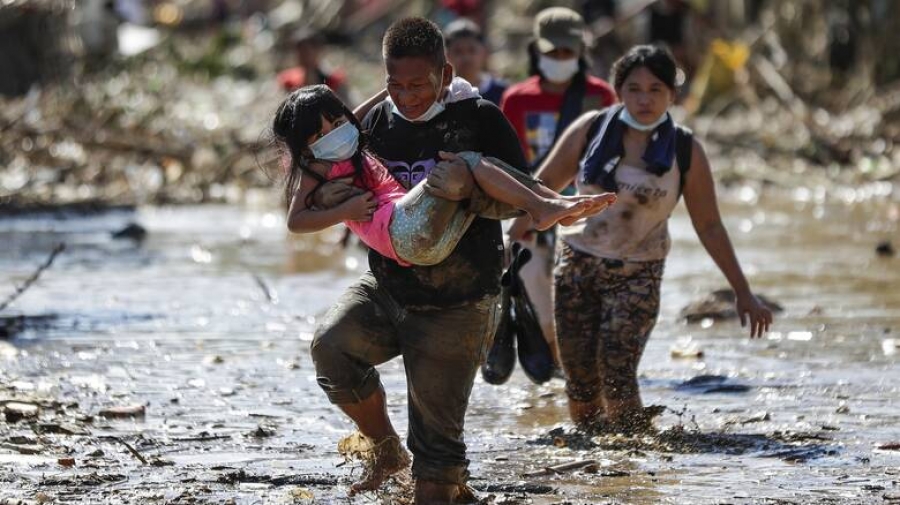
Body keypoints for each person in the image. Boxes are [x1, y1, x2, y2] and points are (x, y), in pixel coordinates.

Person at [306, 17, 599, 503]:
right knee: (331, 347)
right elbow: (338, 195)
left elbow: (519, 201)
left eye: (418, 85)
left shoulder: (479, 118)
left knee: (436, 474)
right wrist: (336, 198)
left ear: (444, 75)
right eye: (395, 85)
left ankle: (445, 481)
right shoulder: (373, 125)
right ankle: (384, 448)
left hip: (458, 303)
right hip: (388, 289)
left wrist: (470, 195)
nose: (407, 96)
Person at [508, 45, 773, 433]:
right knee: (579, 378)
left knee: (617, 367)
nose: (644, 99)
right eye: (634, 89)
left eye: (655, 89)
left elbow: (710, 225)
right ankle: (595, 457)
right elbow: (541, 190)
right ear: (619, 91)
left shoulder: (686, 150)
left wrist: (743, 291)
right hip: (577, 267)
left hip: (639, 275)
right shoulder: (590, 131)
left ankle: (633, 451)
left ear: (672, 95)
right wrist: (509, 245)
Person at [271, 84, 613, 267]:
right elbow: (295, 222)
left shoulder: (346, 139)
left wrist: (390, 89)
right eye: (320, 134)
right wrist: (343, 214)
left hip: (419, 242)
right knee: (465, 161)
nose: (334, 133)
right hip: (401, 229)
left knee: (474, 188)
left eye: (337, 122)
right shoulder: (316, 166)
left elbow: (356, 115)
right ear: (304, 146)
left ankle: (550, 203)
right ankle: (542, 206)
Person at [499, 6, 617, 368]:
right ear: (537, 50)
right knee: (535, 291)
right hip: (531, 209)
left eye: (568, 52)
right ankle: (553, 365)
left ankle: (577, 367)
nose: (560, 59)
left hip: (585, 210)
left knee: (582, 296)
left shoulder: (601, 97)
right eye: (553, 53)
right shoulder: (517, 99)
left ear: (581, 51)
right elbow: (508, 162)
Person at [276, 27, 354, 105]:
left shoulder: (334, 80)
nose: (303, 56)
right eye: (300, 52)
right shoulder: (288, 81)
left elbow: (347, 106)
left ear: (319, 50)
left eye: (307, 51)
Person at [443, 18, 508, 106]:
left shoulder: (502, 91)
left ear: (484, 52)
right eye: (458, 51)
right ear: (446, 55)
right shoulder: (442, 94)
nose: (466, 57)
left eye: (472, 50)